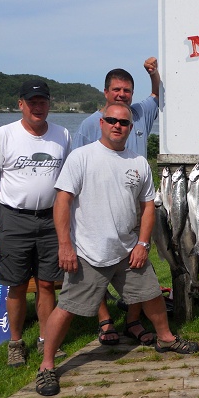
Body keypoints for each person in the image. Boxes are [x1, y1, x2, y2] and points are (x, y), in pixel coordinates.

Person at [36, 102, 199, 397]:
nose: (117, 126)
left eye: (123, 122)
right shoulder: (80, 158)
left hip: (127, 249)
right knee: (68, 308)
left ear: (130, 128)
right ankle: (46, 366)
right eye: (111, 120)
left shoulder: (138, 163)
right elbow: (62, 202)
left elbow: (148, 206)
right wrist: (65, 245)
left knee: (151, 295)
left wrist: (143, 243)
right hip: (88, 252)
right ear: (101, 122)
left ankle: (165, 338)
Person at [0, 80, 70, 367]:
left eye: (43, 101)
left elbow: (68, 180)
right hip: (14, 219)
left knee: (46, 283)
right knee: (16, 285)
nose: (38, 107)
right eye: (32, 102)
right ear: (21, 104)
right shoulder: (3, 135)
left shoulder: (62, 134)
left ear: (49, 103)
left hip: (50, 218)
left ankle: (45, 339)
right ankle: (16, 343)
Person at [73, 57, 160, 346]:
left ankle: (133, 321)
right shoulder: (88, 125)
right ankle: (105, 321)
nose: (122, 95)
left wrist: (153, 74)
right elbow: (75, 170)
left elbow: (156, 96)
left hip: (136, 204)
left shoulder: (139, 113)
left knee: (139, 263)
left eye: (127, 90)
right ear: (106, 92)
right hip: (99, 208)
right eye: (117, 90)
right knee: (95, 266)